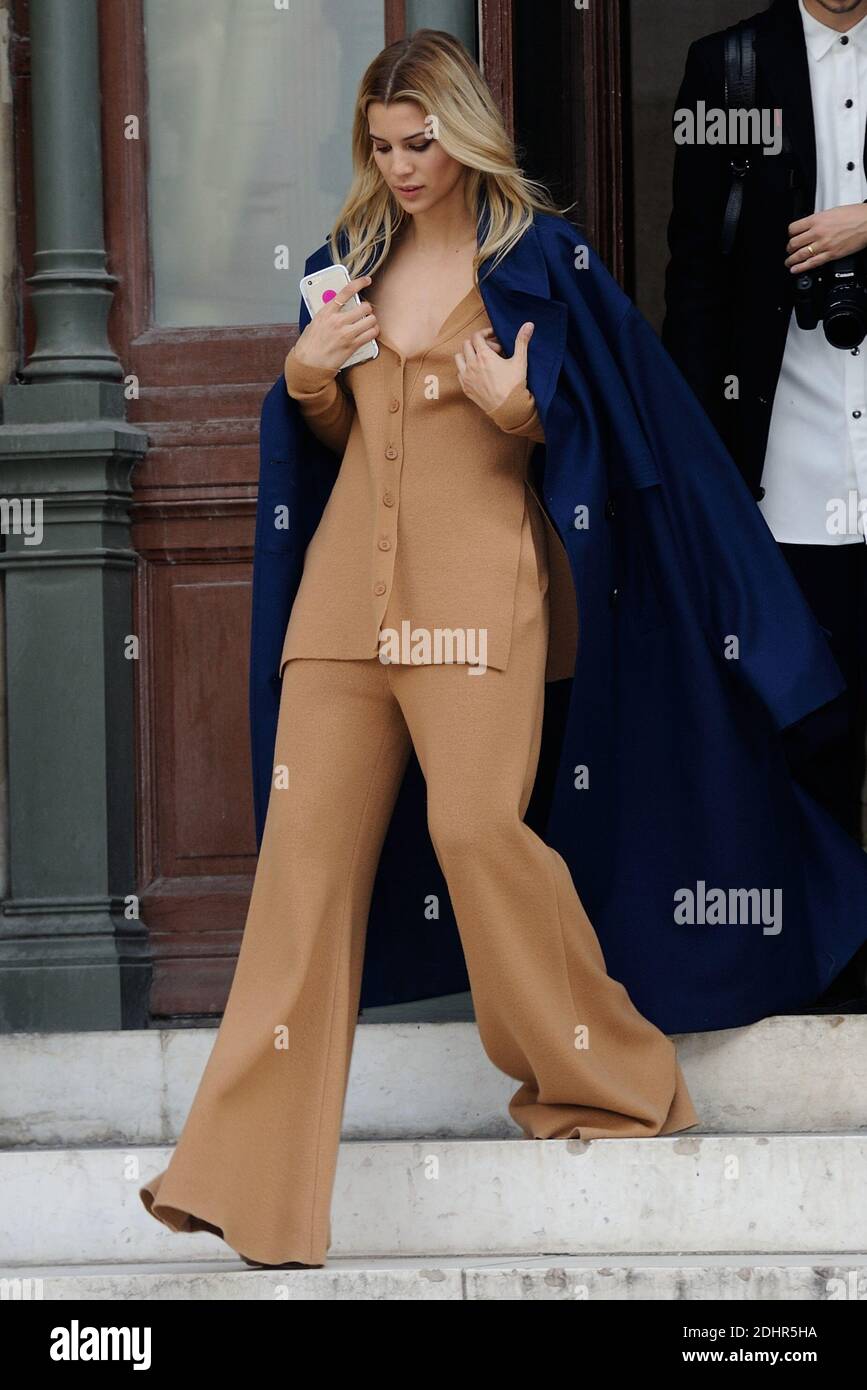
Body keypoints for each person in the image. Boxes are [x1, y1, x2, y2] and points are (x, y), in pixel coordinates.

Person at [139, 28, 867, 1270]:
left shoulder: (542, 260)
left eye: (422, 142)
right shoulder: (344, 261)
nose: (402, 165)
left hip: (479, 596)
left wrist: (521, 409)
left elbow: (602, 427)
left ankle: (609, 1076)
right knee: (301, 872)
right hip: (340, 612)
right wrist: (305, 377)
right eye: (381, 145)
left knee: (479, 833)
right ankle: (241, 1179)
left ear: (466, 132)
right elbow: (322, 429)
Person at [663, 1, 867, 1007]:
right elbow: (693, 272)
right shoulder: (730, 67)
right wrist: (700, 465)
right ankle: (828, 972)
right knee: (812, 721)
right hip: (786, 459)